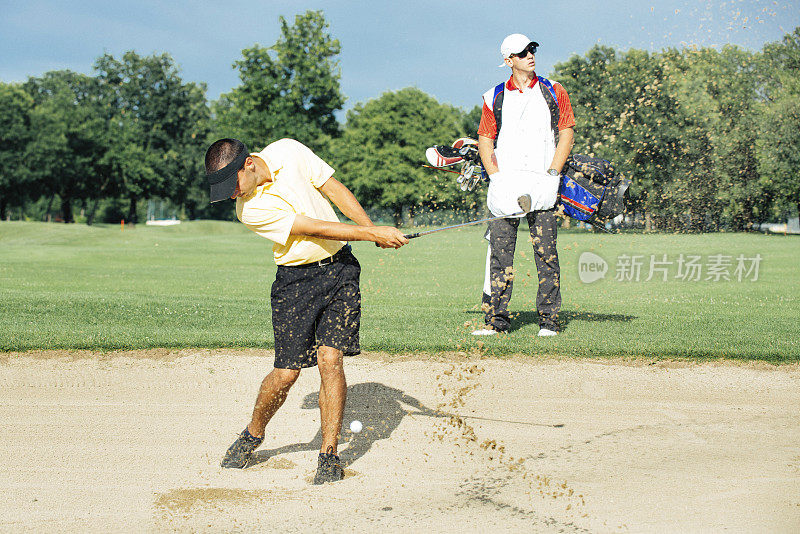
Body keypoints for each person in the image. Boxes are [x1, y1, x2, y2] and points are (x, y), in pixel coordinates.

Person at [204, 137, 408, 484]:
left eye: (232, 183)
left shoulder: (288, 150)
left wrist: (370, 228)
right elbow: (312, 227)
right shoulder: (248, 210)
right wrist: (370, 233)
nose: (231, 194)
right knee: (287, 373)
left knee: (331, 359)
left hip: (341, 270)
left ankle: (328, 453)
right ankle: (254, 432)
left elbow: (333, 189)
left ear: (249, 163)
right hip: (295, 284)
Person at [472, 33, 575, 337]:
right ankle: (496, 321)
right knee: (500, 256)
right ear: (508, 61)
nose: (530, 55)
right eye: (522, 53)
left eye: (532, 49)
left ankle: (549, 321)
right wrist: (496, 177)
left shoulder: (553, 90)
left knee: (546, 254)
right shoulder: (494, 97)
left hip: (543, 184)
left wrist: (554, 172)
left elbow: (566, 131)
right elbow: (485, 139)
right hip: (506, 188)